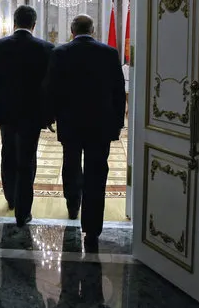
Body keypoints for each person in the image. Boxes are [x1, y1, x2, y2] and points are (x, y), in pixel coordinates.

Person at [42, 14, 126, 250]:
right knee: (97, 172)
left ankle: (72, 206)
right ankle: (93, 228)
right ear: (93, 30)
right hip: (101, 124)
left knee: (70, 163)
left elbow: (51, 89)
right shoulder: (109, 53)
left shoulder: (60, 53)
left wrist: (49, 117)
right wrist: (118, 123)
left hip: (70, 123)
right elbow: (119, 91)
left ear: (71, 30)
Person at [0, 5, 54, 227]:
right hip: (33, 113)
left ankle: (10, 198)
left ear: (13, 23)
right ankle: (23, 211)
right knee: (28, 159)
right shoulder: (46, 47)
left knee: (8, 152)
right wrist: (50, 113)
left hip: (6, 110)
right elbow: (51, 85)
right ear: (34, 24)